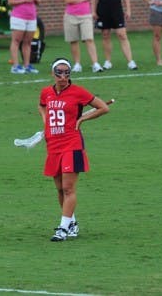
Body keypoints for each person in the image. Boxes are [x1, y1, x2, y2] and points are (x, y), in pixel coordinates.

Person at [39, 58, 110, 242]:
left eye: (66, 73)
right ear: (52, 73)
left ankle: (62, 229)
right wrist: (46, 121)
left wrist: (82, 119)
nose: (63, 76)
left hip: (72, 144)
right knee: (60, 190)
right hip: (53, 145)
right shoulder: (46, 93)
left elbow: (103, 107)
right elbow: (42, 106)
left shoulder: (78, 92)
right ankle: (72, 223)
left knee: (68, 188)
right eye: (59, 72)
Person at [91, 0, 138, 71]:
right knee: (106, 35)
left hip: (117, 11)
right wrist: (93, 10)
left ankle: (130, 61)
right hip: (103, 11)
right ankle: (107, 61)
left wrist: (128, 10)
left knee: (122, 35)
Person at [63, 0, 103, 74]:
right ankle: (77, 64)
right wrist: (80, 0)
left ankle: (95, 64)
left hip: (85, 15)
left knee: (89, 39)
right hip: (71, 15)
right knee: (74, 40)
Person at [8, 0, 40, 75]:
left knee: (28, 42)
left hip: (31, 17)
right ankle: (15, 66)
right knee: (16, 41)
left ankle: (27, 65)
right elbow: (10, 1)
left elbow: (38, 1)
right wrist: (25, 0)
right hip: (18, 17)